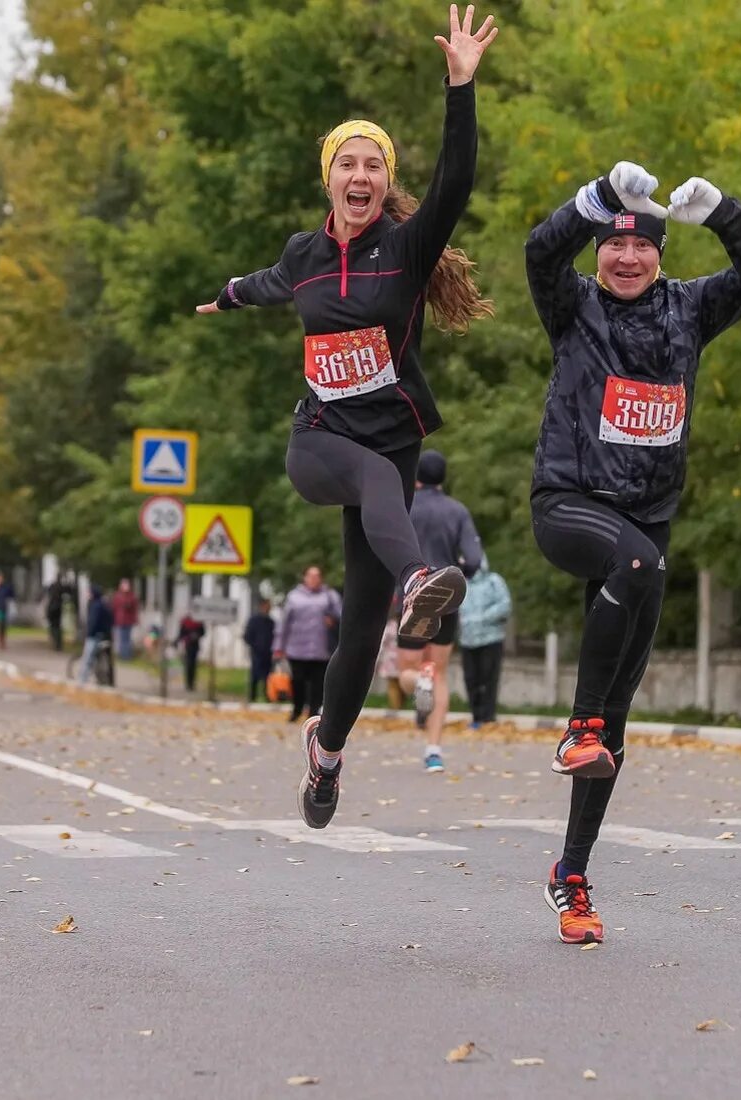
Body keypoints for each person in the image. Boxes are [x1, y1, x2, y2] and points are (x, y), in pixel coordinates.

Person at [196, 6, 498, 829]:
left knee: (362, 634)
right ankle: (418, 582)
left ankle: (326, 755)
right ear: (328, 177)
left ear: (381, 181)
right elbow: (265, 281)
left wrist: (460, 87)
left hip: (392, 447)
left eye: (373, 165)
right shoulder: (302, 257)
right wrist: (226, 295)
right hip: (322, 441)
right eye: (347, 163)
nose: (360, 176)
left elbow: (456, 182)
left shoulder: (405, 248)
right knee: (368, 481)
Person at [525, 161, 741, 944]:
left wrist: (726, 214)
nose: (626, 259)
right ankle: (577, 725)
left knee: (619, 720)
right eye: (614, 246)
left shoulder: (691, 310)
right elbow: (541, 251)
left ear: (662, 256)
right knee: (629, 572)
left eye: (641, 249)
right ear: (601, 252)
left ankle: (570, 879)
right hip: (570, 505)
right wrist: (598, 199)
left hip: (649, 521)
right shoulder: (573, 306)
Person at [397, 450, 483, 772]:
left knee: (408, 668)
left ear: (416, 476)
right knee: (440, 671)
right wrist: (460, 573)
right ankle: (433, 750)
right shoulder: (457, 511)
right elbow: (473, 559)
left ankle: (419, 681)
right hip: (447, 598)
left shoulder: (404, 506)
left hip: (411, 597)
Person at [273, 567, 340, 723]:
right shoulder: (294, 597)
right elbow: (284, 623)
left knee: (318, 683)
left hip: (321, 649)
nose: (314, 579)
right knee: (298, 681)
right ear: (304, 578)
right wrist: (279, 647)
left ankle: (313, 713)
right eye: (310, 576)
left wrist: (332, 620)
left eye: (317, 576)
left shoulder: (329, 596)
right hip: (297, 648)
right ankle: (297, 708)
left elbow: (342, 616)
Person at [459, 558, 511, 727]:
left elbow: (505, 605)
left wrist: (482, 619)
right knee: (471, 679)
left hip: (491, 639)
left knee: (489, 678)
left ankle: (488, 717)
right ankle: (476, 716)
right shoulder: (461, 583)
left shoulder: (493, 581)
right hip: (467, 640)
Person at [77, 587, 114, 685]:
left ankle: (82, 680)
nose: (88, 595)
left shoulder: (95, 606)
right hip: (104, 635)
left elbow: (93, 622)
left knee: (87, 658)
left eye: (89, 593)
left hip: (94, 635)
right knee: (100, 657)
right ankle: (104, 679)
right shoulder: (103, 605)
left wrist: (89, 633)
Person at [243, 598, 277, 703]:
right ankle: (252, 697)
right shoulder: (254, 620)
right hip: (257, 652)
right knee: (255, 675)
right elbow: (247, 636)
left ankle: (267, 695)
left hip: (268, 653)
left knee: (267, 676)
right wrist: (255, 646)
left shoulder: (271, 622)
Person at [174, 608, 207, 693]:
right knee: (188, 664)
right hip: (187, 645)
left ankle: (192, 683)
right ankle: (188, 683)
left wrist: (196, 635)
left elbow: (203, 632)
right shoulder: (185, 621)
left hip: (195, 645)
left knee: (193, 665)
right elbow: (181, 633)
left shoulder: (199, 622)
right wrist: (178, 640)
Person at [110, 579, 139, 661]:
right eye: (124, 585)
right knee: (122, 638)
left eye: (127, 585)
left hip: (128, 620)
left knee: (127, 639)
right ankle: (122, 655)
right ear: (121, 586)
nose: (126, 587)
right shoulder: (117, 596)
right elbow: (114, 608)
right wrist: (112, 620)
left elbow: (134, 608)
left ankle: (127, 656)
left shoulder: (131, 596)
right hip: (119, 620)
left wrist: (135, 619)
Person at [44, 577, 68, 652]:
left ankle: (56, 643)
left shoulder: (54, 593)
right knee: (56, 627)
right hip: (56, 610)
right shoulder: (60, 588)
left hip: (54, 611)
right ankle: (58, 644)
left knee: (54, 628)